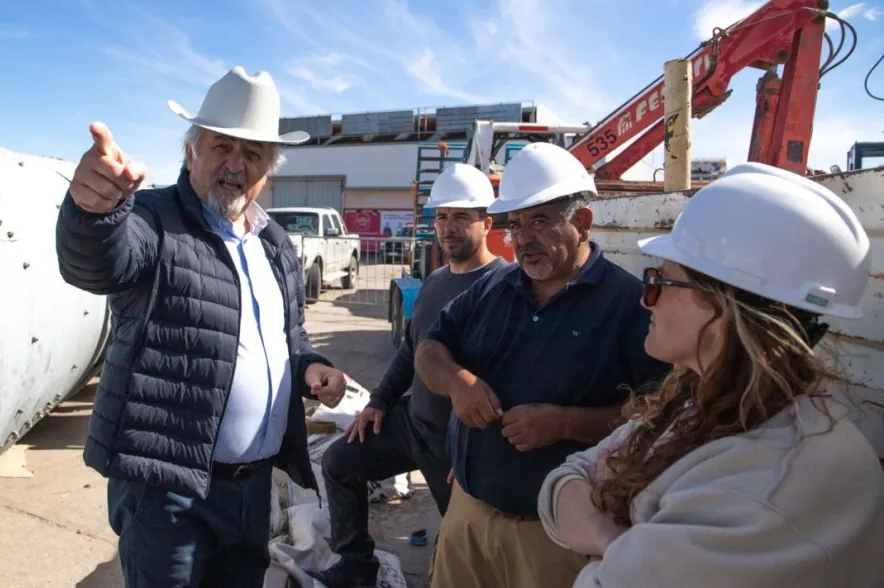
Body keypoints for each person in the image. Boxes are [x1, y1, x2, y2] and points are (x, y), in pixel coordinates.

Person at [55, 66, 349, 587]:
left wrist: (312, 367)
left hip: (252, 489)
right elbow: (99, 263)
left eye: (252, 153)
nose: (236, 164)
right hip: (168, 495)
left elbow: (291, 337)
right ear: (191, 152)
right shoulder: (151, 218)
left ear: (268, 170)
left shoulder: (274, 244)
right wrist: (91, 213)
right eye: (221, 146)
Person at [538, 162, 884, 587]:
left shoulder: (768, 487)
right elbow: (565, 480)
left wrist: (603, 545)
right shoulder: (698, 404)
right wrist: (613, 542)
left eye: (659, 281)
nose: (646, 301)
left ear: (726, 307)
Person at [414, 143, 672, 588]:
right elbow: (429, 348)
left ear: (582, 222)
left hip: (554, 540)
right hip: (467, 517)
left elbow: (659, 417)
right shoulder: (492, 288)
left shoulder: (628, 306)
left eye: (540, 221)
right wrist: (458, 383)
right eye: (516, 224)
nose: (523, 239)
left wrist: (566, 423)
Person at [308, 164, 507, 588]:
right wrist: (379, 401)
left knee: (464, 548)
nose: (449, 227)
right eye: (442, 217)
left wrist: (481, 449)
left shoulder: (504, 287)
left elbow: (509, 377)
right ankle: (356, 567)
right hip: (413, 425)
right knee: (340, 462)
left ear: (487, 224)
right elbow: (411, 349)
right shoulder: (435, 281)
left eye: (461, 217)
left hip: (459, 442)